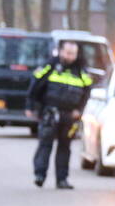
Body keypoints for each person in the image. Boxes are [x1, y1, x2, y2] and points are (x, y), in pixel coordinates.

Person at [26, 40, 94, 189]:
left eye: (73, 54)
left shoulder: (81, 70)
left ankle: (62, 179)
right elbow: (35, 83)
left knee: (65, 147)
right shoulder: (50, 65)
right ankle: (40, 175)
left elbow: (87, 91)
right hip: (50, 112)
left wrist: (79, 110)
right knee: (45, 144)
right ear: (61, 51)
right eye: (68, 53)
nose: (70, 56)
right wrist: (30, 105)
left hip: (70, 115)